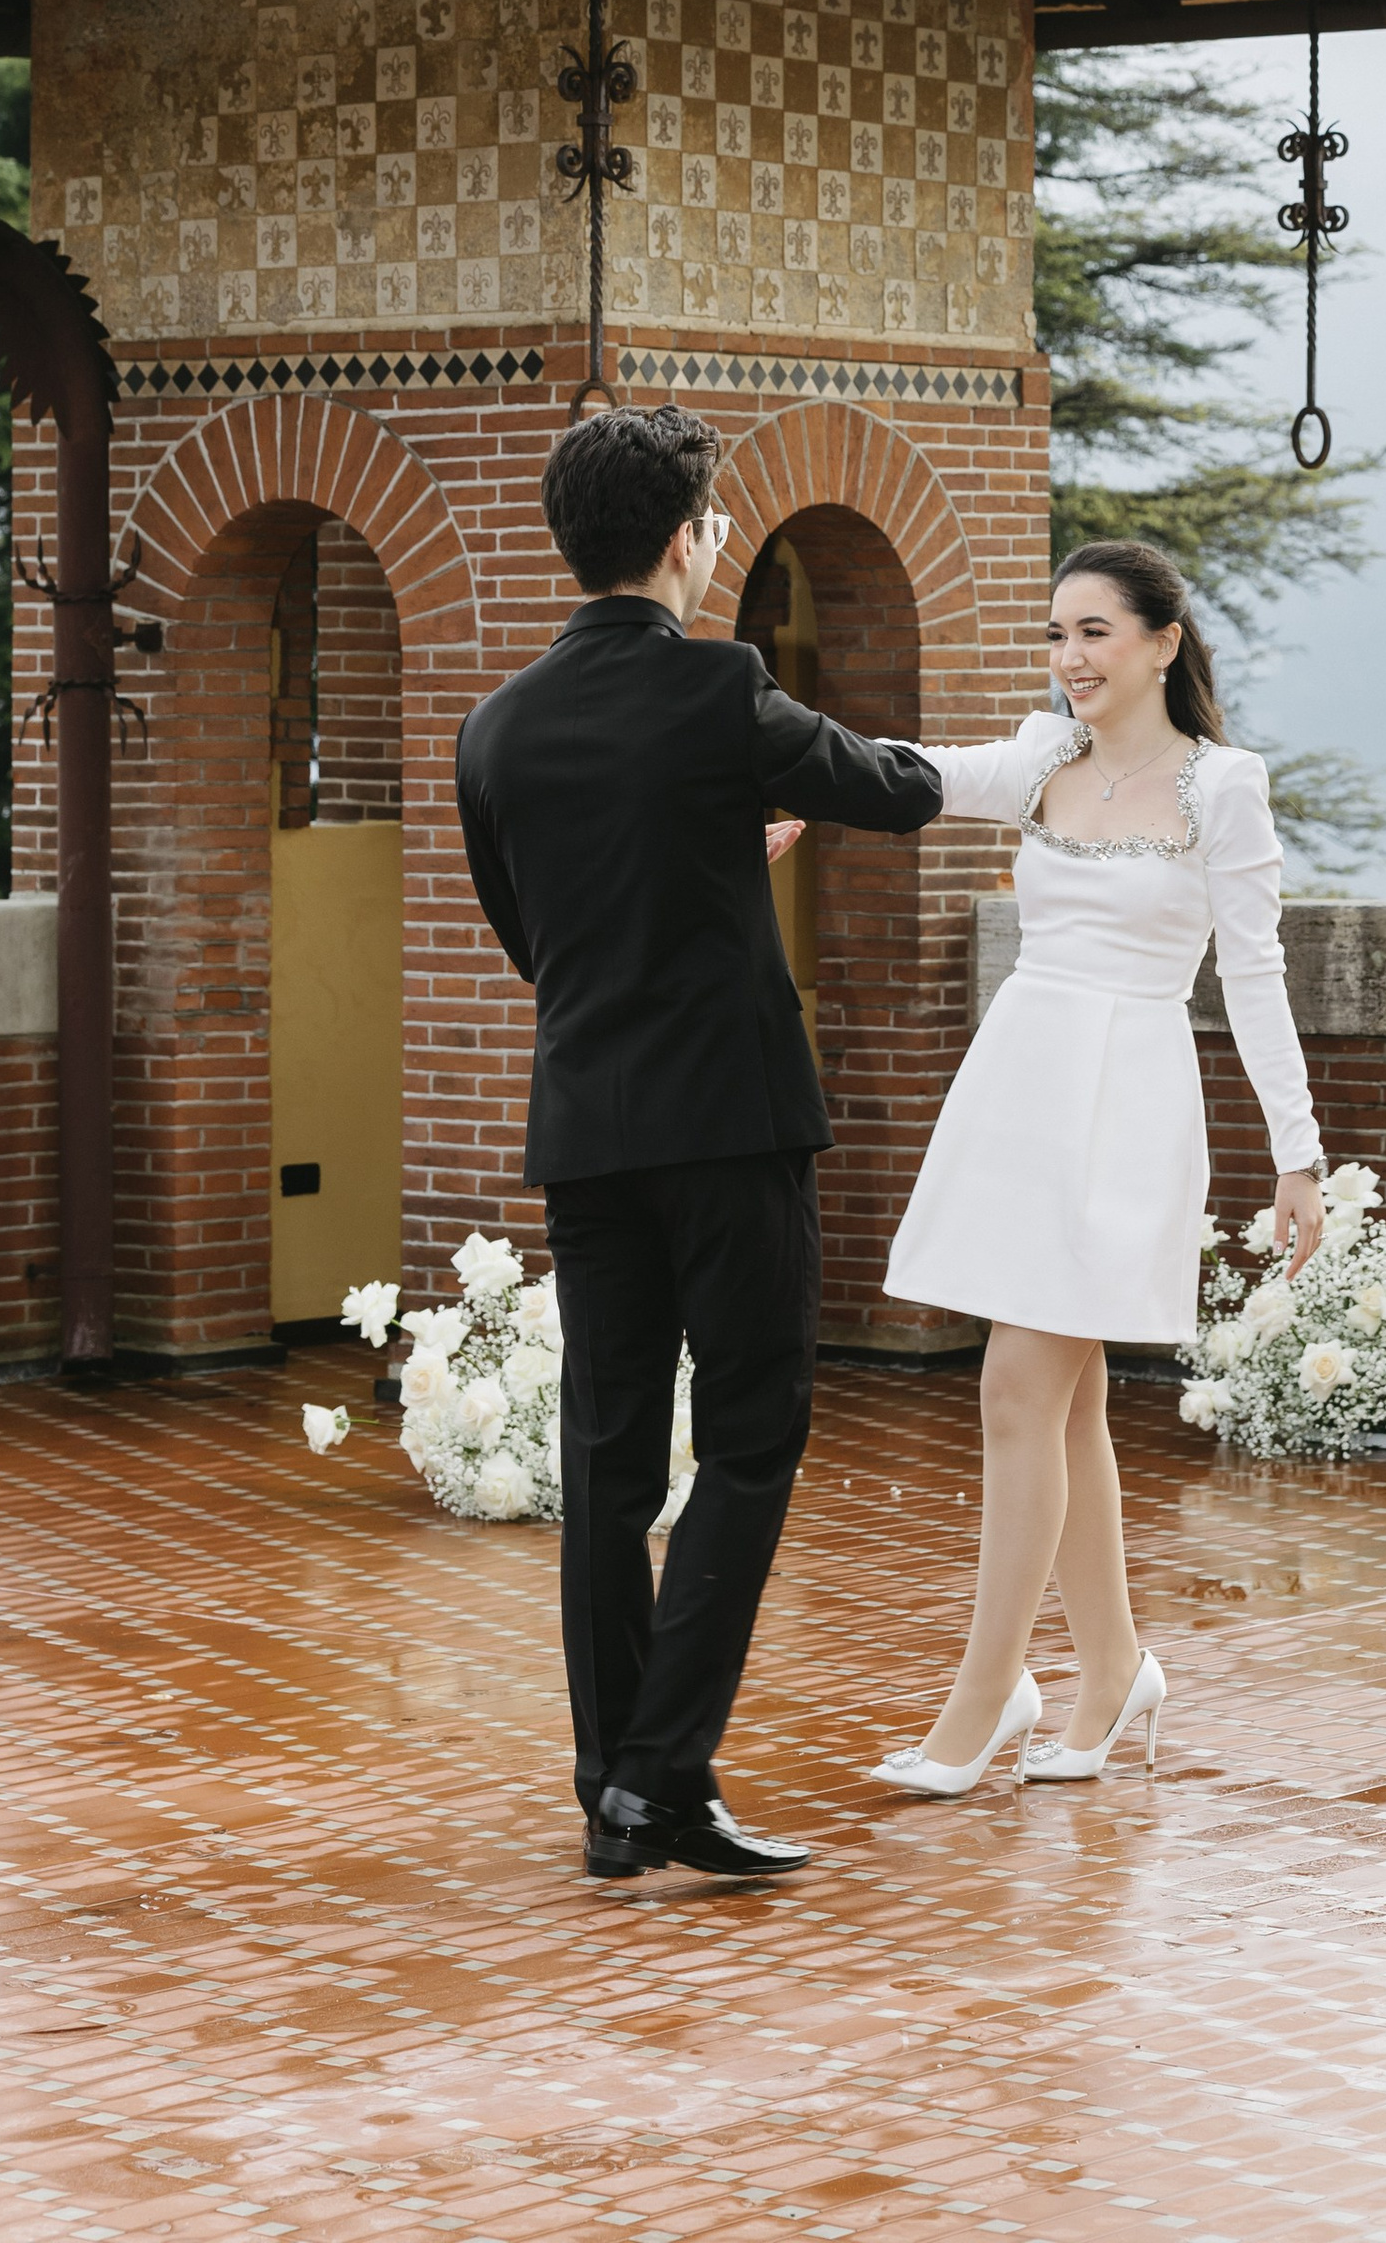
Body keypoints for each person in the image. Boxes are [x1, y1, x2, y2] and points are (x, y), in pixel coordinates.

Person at [455, 403, 941, 1881]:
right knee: (750, 1438)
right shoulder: (725, 689)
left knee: (605, 1456)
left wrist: (724, 842)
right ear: (685, 541)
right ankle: (664, 1778)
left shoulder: (497, 726)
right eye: (713, 521)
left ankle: (614, 1784)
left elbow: (537, 937)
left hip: (588, 1127)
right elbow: (895, 792)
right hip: (732, 1126)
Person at [870, 538, 1325, 1796]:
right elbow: (919, 776)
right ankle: (1115, 1669)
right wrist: (800, 781)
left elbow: (1254, 972)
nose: (1069, 659)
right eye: (1055, 635)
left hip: (1127, 1101)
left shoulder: (1224, 786)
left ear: (1163, 644)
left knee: (1019, 1388)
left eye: (1094, 634)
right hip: (1021, 1080)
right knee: (1061, 1403)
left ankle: (986, 1699)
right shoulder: (1042, 755)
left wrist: (1298, 1155)